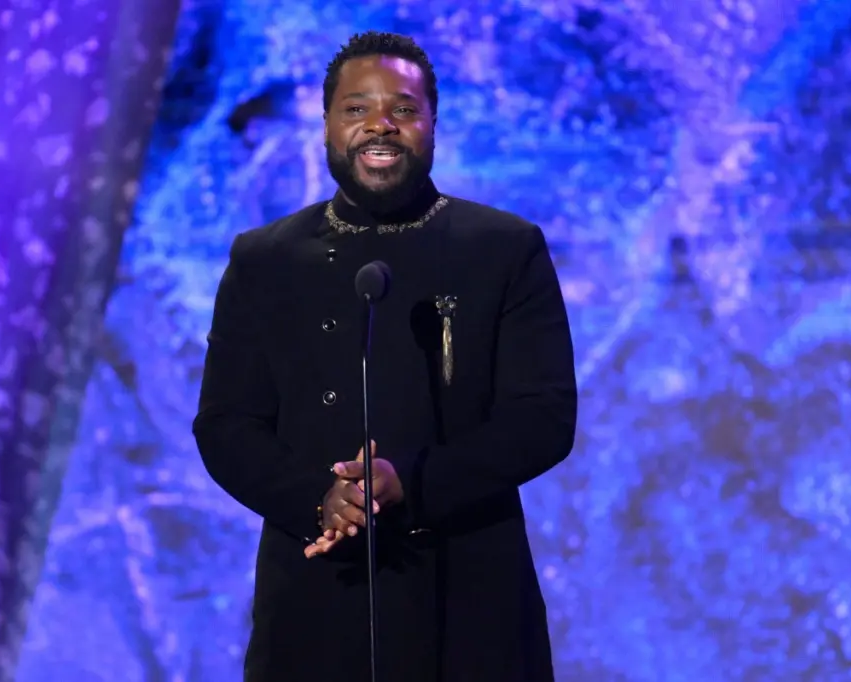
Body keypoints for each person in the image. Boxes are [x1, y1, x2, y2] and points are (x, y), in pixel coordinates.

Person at [193, 30, 577, 682]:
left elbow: (541, 417)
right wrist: (320, 499)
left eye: (403, 108)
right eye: (356, 108)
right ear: (325, 126)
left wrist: (416, 484)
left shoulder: (503, 248)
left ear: (432, 124)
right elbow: (226, 425)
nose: (380, 125)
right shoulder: (265, 261)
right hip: (316, 594)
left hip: (468, 593)